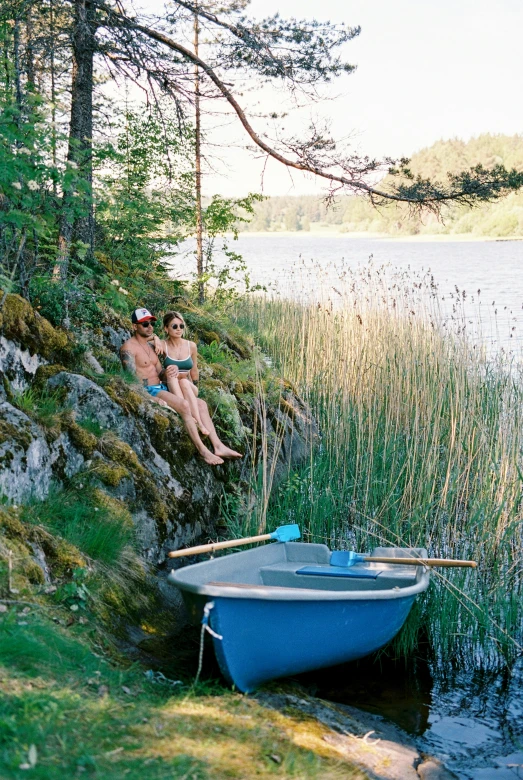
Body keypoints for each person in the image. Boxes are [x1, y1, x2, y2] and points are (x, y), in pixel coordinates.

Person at [120, 308, 242, 466]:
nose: (149, 327)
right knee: (184, 405)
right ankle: (203, 451)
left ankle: (218, 446)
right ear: (135, 326)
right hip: (150, 390)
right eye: (145, 324)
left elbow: (160, 374)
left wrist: (169, 371)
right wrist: (150, 398)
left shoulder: (151, 347)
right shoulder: (128, 349)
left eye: (151, 323)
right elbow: (130, 381)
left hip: (161, 386)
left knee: (201, 404)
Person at [149, 311, 208, 436]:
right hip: (172, 386)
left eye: (181, 326)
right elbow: (141, 338)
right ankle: (188, 414)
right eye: (174, 326)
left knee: (184, 381)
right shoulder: (163, 345)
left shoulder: (191, 346)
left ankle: (199, 422)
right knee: (177, 377)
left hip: (189, 387)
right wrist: (155, 337)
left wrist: (197, 386)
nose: (179, 329)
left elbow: (194, 369)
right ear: (166, 328)